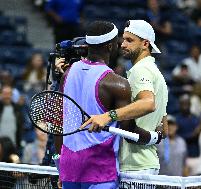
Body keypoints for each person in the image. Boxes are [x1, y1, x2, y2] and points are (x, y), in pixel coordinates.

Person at [55, 21, 164, 189]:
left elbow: (60, 125)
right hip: (99, 170)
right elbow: (128, 130)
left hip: (69, 166)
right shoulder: (117, 84)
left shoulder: (67, 74)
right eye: (119, 41)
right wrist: (154, 137)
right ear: (110, 46)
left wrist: (60, 165)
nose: (122, 44)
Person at [80, 20, 168, 175]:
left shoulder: (141, 70)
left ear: (145, 44)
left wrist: (109, 116)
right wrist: (153, 136)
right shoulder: (156, 73)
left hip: (135, 167)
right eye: (123, 39)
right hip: (147, 164)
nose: (122, 44)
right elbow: (164, 129)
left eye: (129, 40)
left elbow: (148, 103)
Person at [0, 85, 23, 150]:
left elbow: (20, 127)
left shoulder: (17, 109)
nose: (7, 96)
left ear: (12, 95)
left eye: (9, 94)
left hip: (13, 145)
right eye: (5, 94)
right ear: (1, 94)